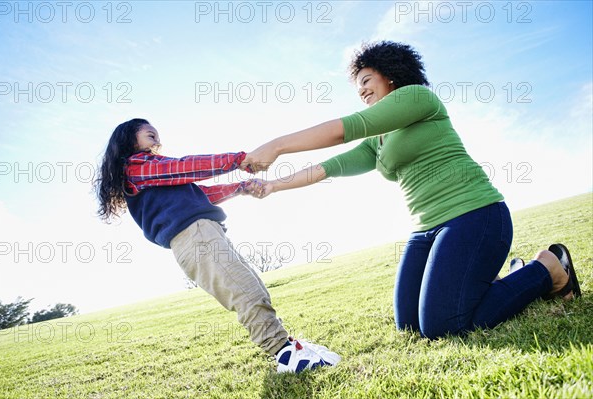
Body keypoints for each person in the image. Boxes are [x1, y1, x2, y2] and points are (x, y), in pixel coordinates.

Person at [241, 41, 582, 339]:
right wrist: (273, 185)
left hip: (475, 216)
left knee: (443, 326)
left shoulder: (417, 98)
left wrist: (277, 146)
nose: (361, 91)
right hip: (426, 231)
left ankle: (546, 268)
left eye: (365, 81)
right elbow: (330, 166)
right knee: (409, 327)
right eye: (357, 87)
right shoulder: (378, 140)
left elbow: (345, 129)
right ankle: (508, 277)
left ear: (390, 75)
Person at [93, 118, 341, 372]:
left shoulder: (150, 174)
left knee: (252, 286)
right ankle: (287, 357)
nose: (157, 141)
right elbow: (186, 167)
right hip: (195, 237)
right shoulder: (138, 166)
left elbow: (201, 193)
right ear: (129, 140)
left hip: (202, 234)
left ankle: (289, 347)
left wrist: (241, 187)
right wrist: (240, 160)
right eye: (150, 135)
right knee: (246, 292)